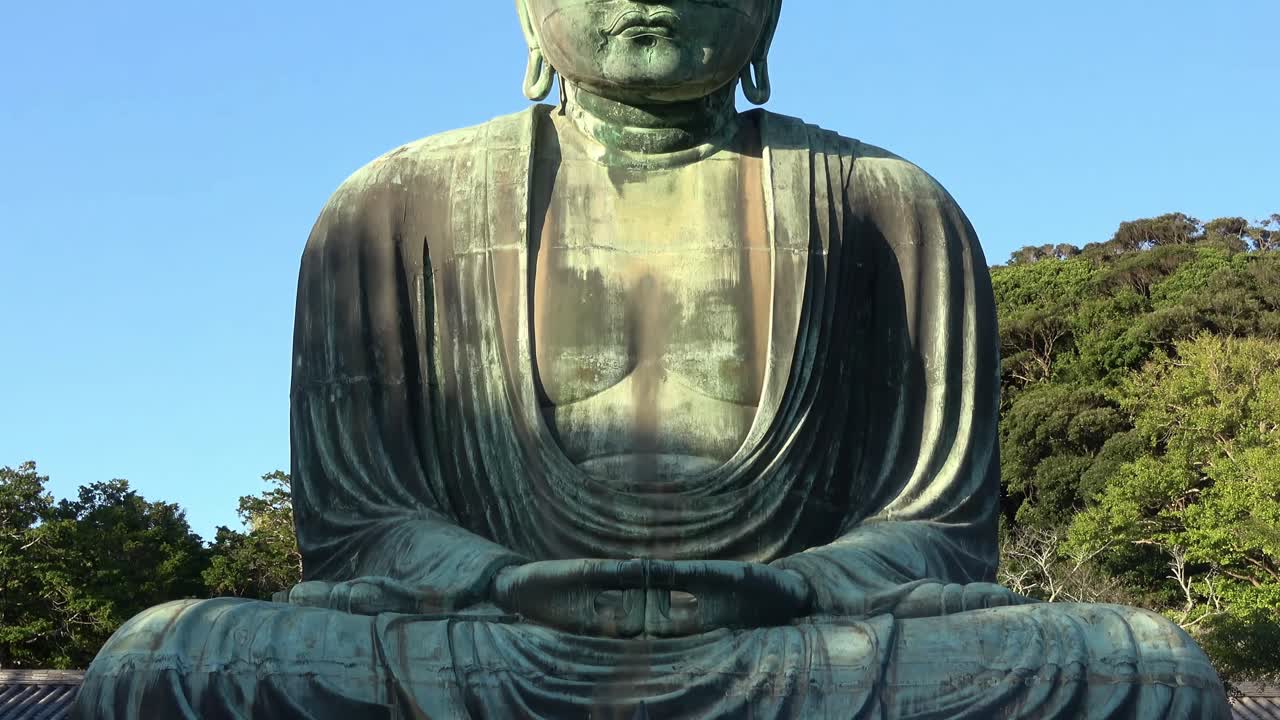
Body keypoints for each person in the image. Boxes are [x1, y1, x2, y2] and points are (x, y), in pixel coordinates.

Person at [74, 1, 1230, 717]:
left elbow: (935, 525)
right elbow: (361, 522)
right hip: (498, 649)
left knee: (1139, 666)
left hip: (791, 649)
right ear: (526, 17)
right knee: (163, 662)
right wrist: (496, 581)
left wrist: (792, 584)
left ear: (767, 14)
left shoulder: (889, 209)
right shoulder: (390, 209)